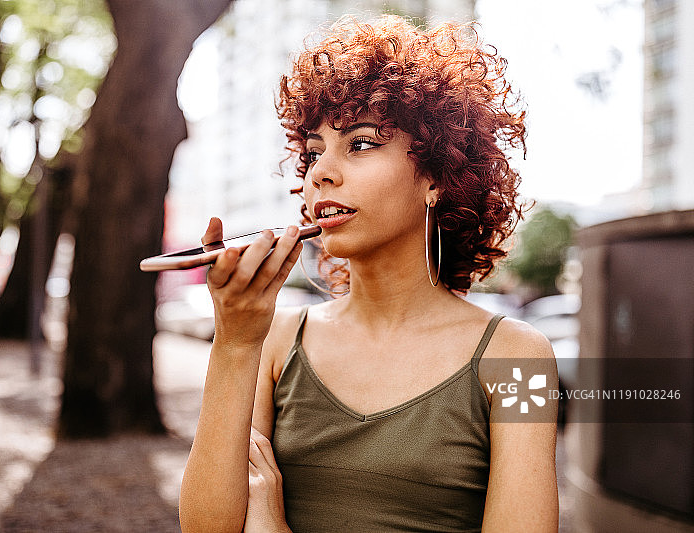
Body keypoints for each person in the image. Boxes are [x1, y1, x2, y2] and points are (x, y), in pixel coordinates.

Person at [179, 14, 558, 533]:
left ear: (438, 178)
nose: (320, 173)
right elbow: (205, 528)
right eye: (313, 152)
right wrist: (234, 342)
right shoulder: (272, 341)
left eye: (360, 144)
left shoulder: (520, 356)